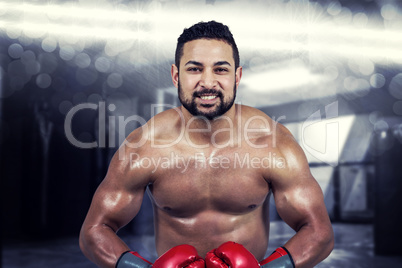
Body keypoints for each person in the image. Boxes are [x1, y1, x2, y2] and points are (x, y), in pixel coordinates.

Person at [79, 21, 334, 268]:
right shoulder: (144, 146)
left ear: (237, 75)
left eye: (221, 69)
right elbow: (93, 231)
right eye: (194, 69)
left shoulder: (272, 143)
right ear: (176, 75)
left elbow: (319, 232)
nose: (208, 82)